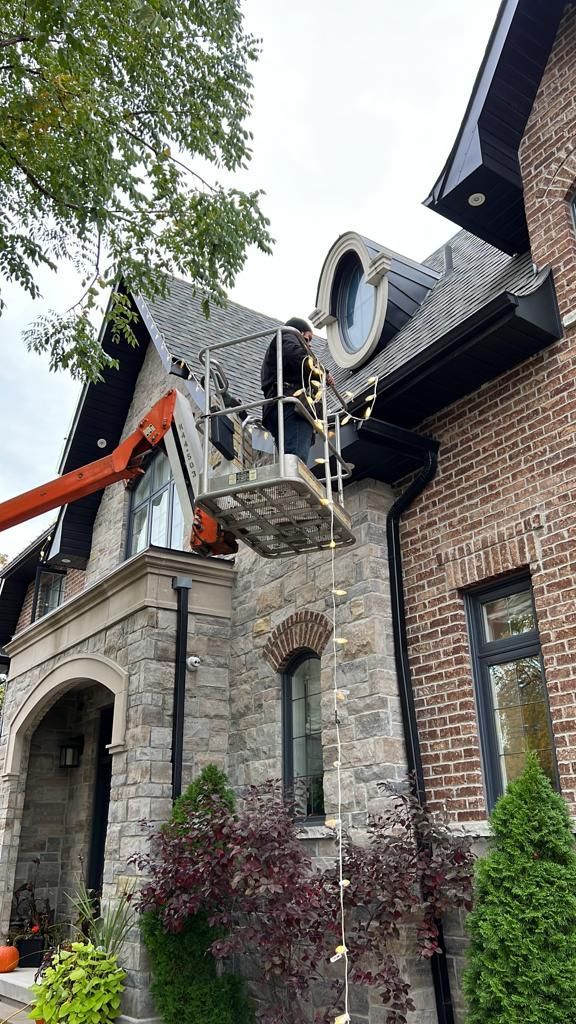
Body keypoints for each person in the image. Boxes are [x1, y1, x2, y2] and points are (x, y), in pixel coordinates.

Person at [260, 317, 320, 464]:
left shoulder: (281, 345)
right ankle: (291, 486)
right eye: (308, 338)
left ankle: (288, 483)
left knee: (288, 459)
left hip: (278, 405)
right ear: (299, 332)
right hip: (292, 407)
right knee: (295, 461)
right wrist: (322, 371)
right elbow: (296, 356)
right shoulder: (288, 336)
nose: (309, 344)